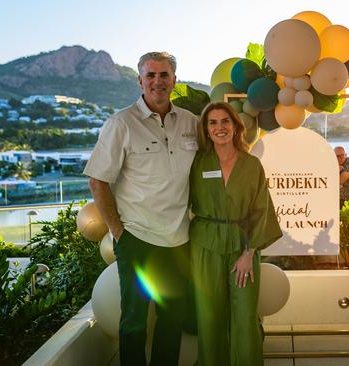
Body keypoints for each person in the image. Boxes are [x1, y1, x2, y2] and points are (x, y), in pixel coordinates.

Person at [84, 52, 198, 366]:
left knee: (172, 320)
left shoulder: (191, 123)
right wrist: (118, 233)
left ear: (174, 80)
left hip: (179, 241)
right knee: (133, 323)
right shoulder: (120, 123)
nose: (158, 82)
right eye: (151, 75)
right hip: (138, 239)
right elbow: (98, 182)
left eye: (164, 75)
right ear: (140, 80)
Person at [190, 102, 282, 366]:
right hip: (205, 245)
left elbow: (262, 211)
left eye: (225, 121)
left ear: (236, 126)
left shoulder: (252, 165)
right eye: (213, 123)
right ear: (206, 131)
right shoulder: (197, 164)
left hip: (244, 247)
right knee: (209, 317)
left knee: (245, 316)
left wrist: (249, 253)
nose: (220, 127)